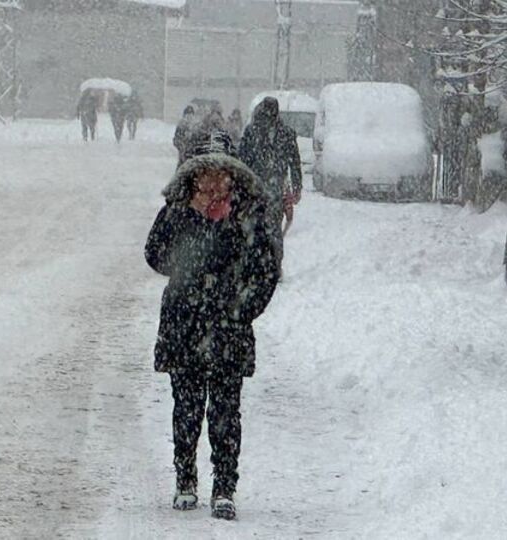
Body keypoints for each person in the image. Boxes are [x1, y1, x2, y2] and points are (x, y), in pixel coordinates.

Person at [145, 151, 280, 521]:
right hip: (184, 325)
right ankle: (185, 478)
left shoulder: (248, 217)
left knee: (225, 412)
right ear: (193, 180)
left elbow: (266, 271)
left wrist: (240, 309)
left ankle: (224, 485)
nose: (212, 186)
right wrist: (187, 267)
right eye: (204, 179)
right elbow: (153, 252)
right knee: (186, 408)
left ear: (232, 180)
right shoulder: (176, 212)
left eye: (220, 178)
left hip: (228, 331)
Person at [239, 97, 303, 257]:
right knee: (271, 228)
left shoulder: (252, 131)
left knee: (258, 227)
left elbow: (242, 161)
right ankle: (271, 263)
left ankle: (260, 262)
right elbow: (295, 163)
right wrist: (296, 186)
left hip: (259, 188)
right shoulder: (284, 133)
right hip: (269, 188)